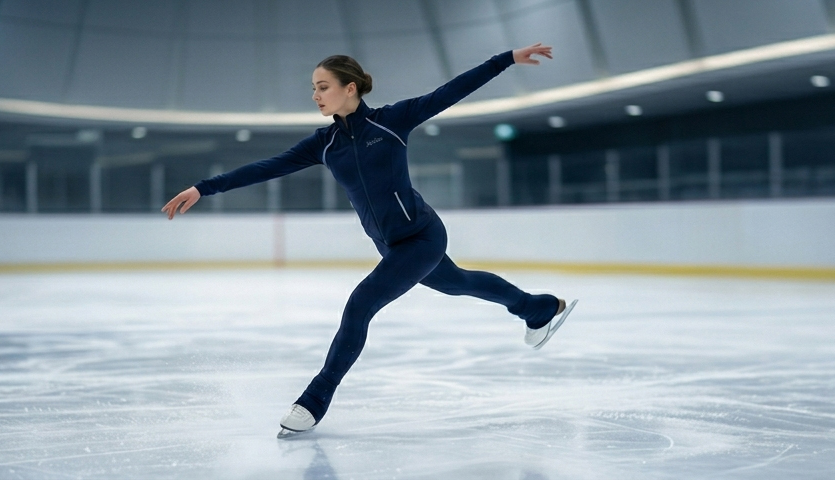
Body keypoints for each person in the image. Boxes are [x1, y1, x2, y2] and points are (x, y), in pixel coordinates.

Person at [161, 43, 577, 437]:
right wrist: (204, 188)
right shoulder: (325, 144)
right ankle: (537, 308)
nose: (315, 96)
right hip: (392, 245)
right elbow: (267, 167)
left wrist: (506, 59)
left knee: (360, 304)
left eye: (323, 87)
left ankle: (314, 400)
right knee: (458, 282)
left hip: (421, 236)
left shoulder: (391, 121)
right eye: (313, 89)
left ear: (350, 88)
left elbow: (451, 91)